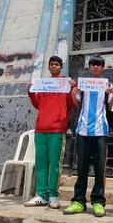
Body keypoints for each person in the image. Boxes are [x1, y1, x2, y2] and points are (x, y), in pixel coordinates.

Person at [63, 56, 113, 217]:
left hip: (101, 131)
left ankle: (98, 202)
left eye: (98, 65)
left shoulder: (108, 85)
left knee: (100, 169)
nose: (95, 67)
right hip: (83, 130)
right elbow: (77, 104)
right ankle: (78, 201)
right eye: (93, 65)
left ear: (102, 68)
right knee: (82, 167)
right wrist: (73, 94)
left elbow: (112, 106)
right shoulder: (83, 84)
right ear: (90, 67)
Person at [25, 56, 75, 209]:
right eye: (52, 64)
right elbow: (37, 104)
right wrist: (31, 92)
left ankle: (53, 194)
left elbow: (72, 103)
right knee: (41, 162)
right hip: (41, 128)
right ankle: (41, 195)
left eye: (57, 64)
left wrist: (73, 89)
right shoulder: (43, 85)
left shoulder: (66, 83)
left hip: (57, 128)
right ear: (48, 67)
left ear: (61, 67)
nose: (54, 67)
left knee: (55, 163)